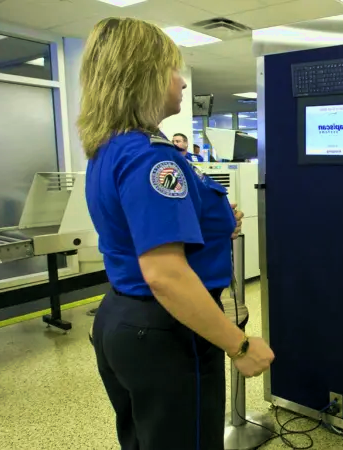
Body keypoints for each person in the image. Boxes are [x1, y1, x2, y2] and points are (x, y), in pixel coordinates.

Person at [79, 18, 274, 450]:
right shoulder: (153, 160)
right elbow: (165, 275)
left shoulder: (112, 148)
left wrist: (217, 222)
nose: (182, 84)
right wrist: (240, 346)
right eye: (173, 71)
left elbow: (140, 231)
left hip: (123, 319)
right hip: (166, 331)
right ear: (143, 75)